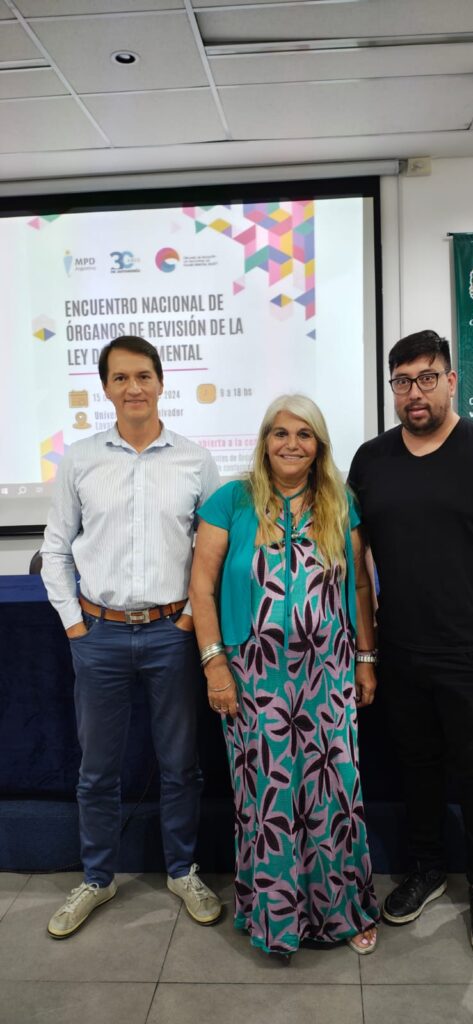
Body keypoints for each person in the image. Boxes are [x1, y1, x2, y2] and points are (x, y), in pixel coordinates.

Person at [348, 329, 473, 960]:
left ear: (452, 381)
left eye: (427, 378)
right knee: (418, 768)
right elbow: (358, 566)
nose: (415, 393)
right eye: (402, 381)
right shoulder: (370, 461)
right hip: (402, 650)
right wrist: (369, 650)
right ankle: (427, 869)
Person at [41, 335, 222, 938]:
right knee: (97, 771)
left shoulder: (195, 460)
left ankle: (182, 871)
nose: (134, 387)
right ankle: (98, 878)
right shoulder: (80, 459)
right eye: (120, 378)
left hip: (173, 634)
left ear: (161, 382)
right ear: (105, 388)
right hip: (100, 634)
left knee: (181, 765)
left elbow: (212, 553)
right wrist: (74, 624)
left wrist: (190, 620)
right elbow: (55, 549)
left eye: (143, 375)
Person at [190, 395, 380, 957]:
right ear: (264, 440)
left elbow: (361, 585)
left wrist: (366, 657)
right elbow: (201, 586)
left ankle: (342, 913)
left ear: (319, 445)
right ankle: (275, 919)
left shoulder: (340, 501)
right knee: (267, 799)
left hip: (328, 674)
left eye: (304, 434)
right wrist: (215, 665)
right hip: (254, 677)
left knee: (332, 791)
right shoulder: (232, 500)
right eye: (280, 433)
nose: (291, 444)